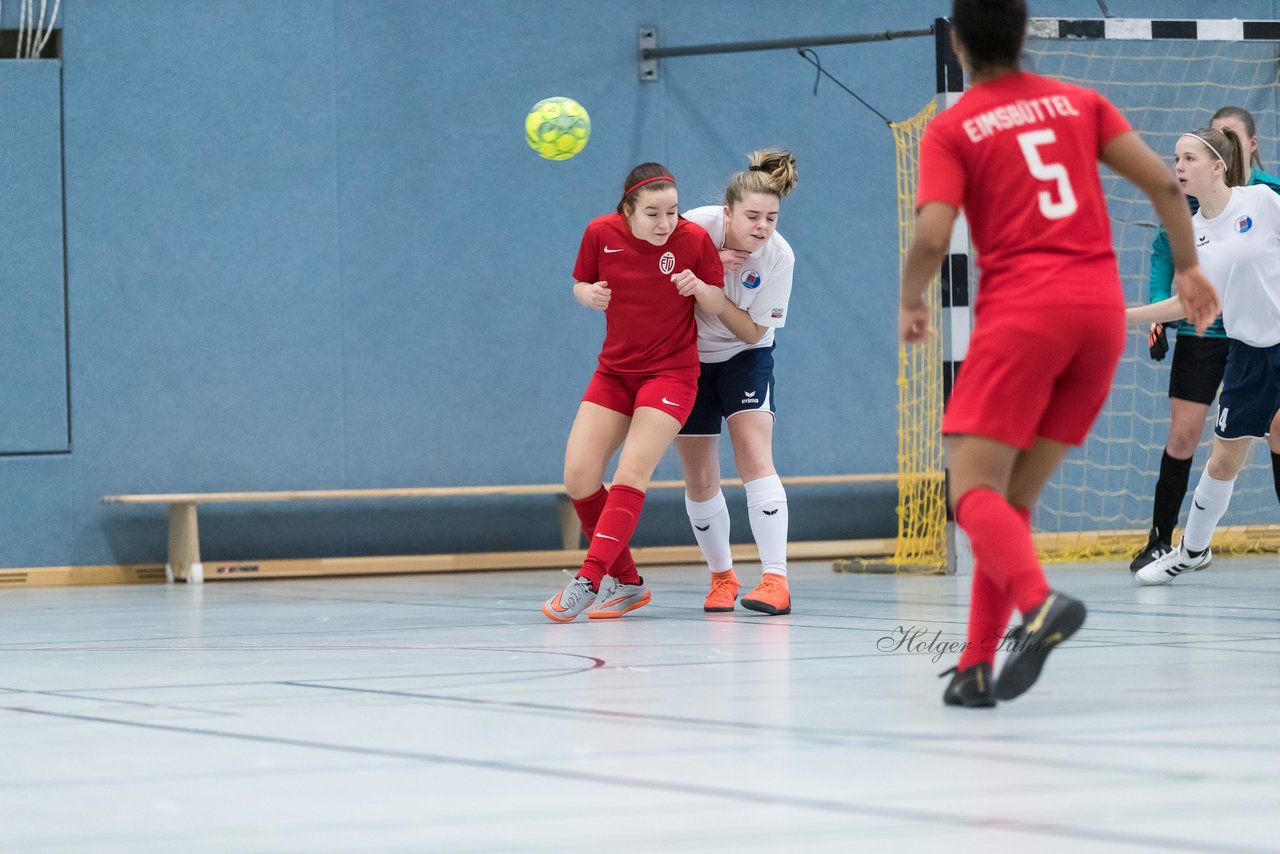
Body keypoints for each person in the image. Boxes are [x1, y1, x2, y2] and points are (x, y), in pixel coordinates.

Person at [903, 0, 1218, 706]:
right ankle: (978, 666)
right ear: (1024, 34)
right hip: (1101, 317)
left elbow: (930, 236)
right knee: (1009, 503)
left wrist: (910, 298)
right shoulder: (1079, 102)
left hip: (1025, 316)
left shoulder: (954, 126)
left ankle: (1039, 606)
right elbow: (1166, 185)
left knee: (969, 493)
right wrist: (1191, 268)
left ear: (957, 42)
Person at [542, 163, 726, 622]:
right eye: (652, 214)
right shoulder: (599, 233)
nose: (666, 224)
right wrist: (588, 296)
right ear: (626, 210)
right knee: (579, 477)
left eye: (673, 212)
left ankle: (589, 579)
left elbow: (719, 303)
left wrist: (699, 288)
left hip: (670, 375)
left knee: (630, 473)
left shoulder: (692, 241)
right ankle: (627, 584)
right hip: (615, 373)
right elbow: (579, 283)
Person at [1130, 106, 1280, 572]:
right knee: (1221, 463)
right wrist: (1123, 316)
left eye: (1190, 158)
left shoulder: (1261, 202)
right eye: (1176, 158)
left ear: (1218, 165)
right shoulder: (1191, 235)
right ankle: (1191, 551)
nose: (1179, 166)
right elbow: (1184, 303)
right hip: (1248, 357)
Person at [676, 149, 799, 616]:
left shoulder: (779, 257)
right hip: (686, 358)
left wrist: (711, 291)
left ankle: (775, 579)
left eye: (771, 217)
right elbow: (653, 275)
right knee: (700, 473)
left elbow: (751, 330)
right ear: (727, 214)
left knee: (753, 452)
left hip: (746, 355)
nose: (762, 226)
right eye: (752, 216)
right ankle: (722, 578)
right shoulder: (692, 227)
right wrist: (706, 260)